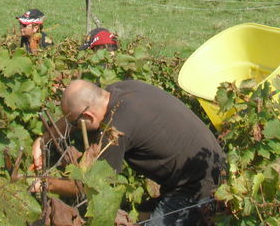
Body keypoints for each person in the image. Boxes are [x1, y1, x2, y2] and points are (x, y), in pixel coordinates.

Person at [32, 79, 224, 226]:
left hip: (200, 184)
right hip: (209, 159)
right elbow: (74, 115)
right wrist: (44, 139)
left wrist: (46, 184)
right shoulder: (118, 90)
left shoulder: (115, 132)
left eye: (75, 124)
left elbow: (89, 187)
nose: (72, 127)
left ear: (87, 116)